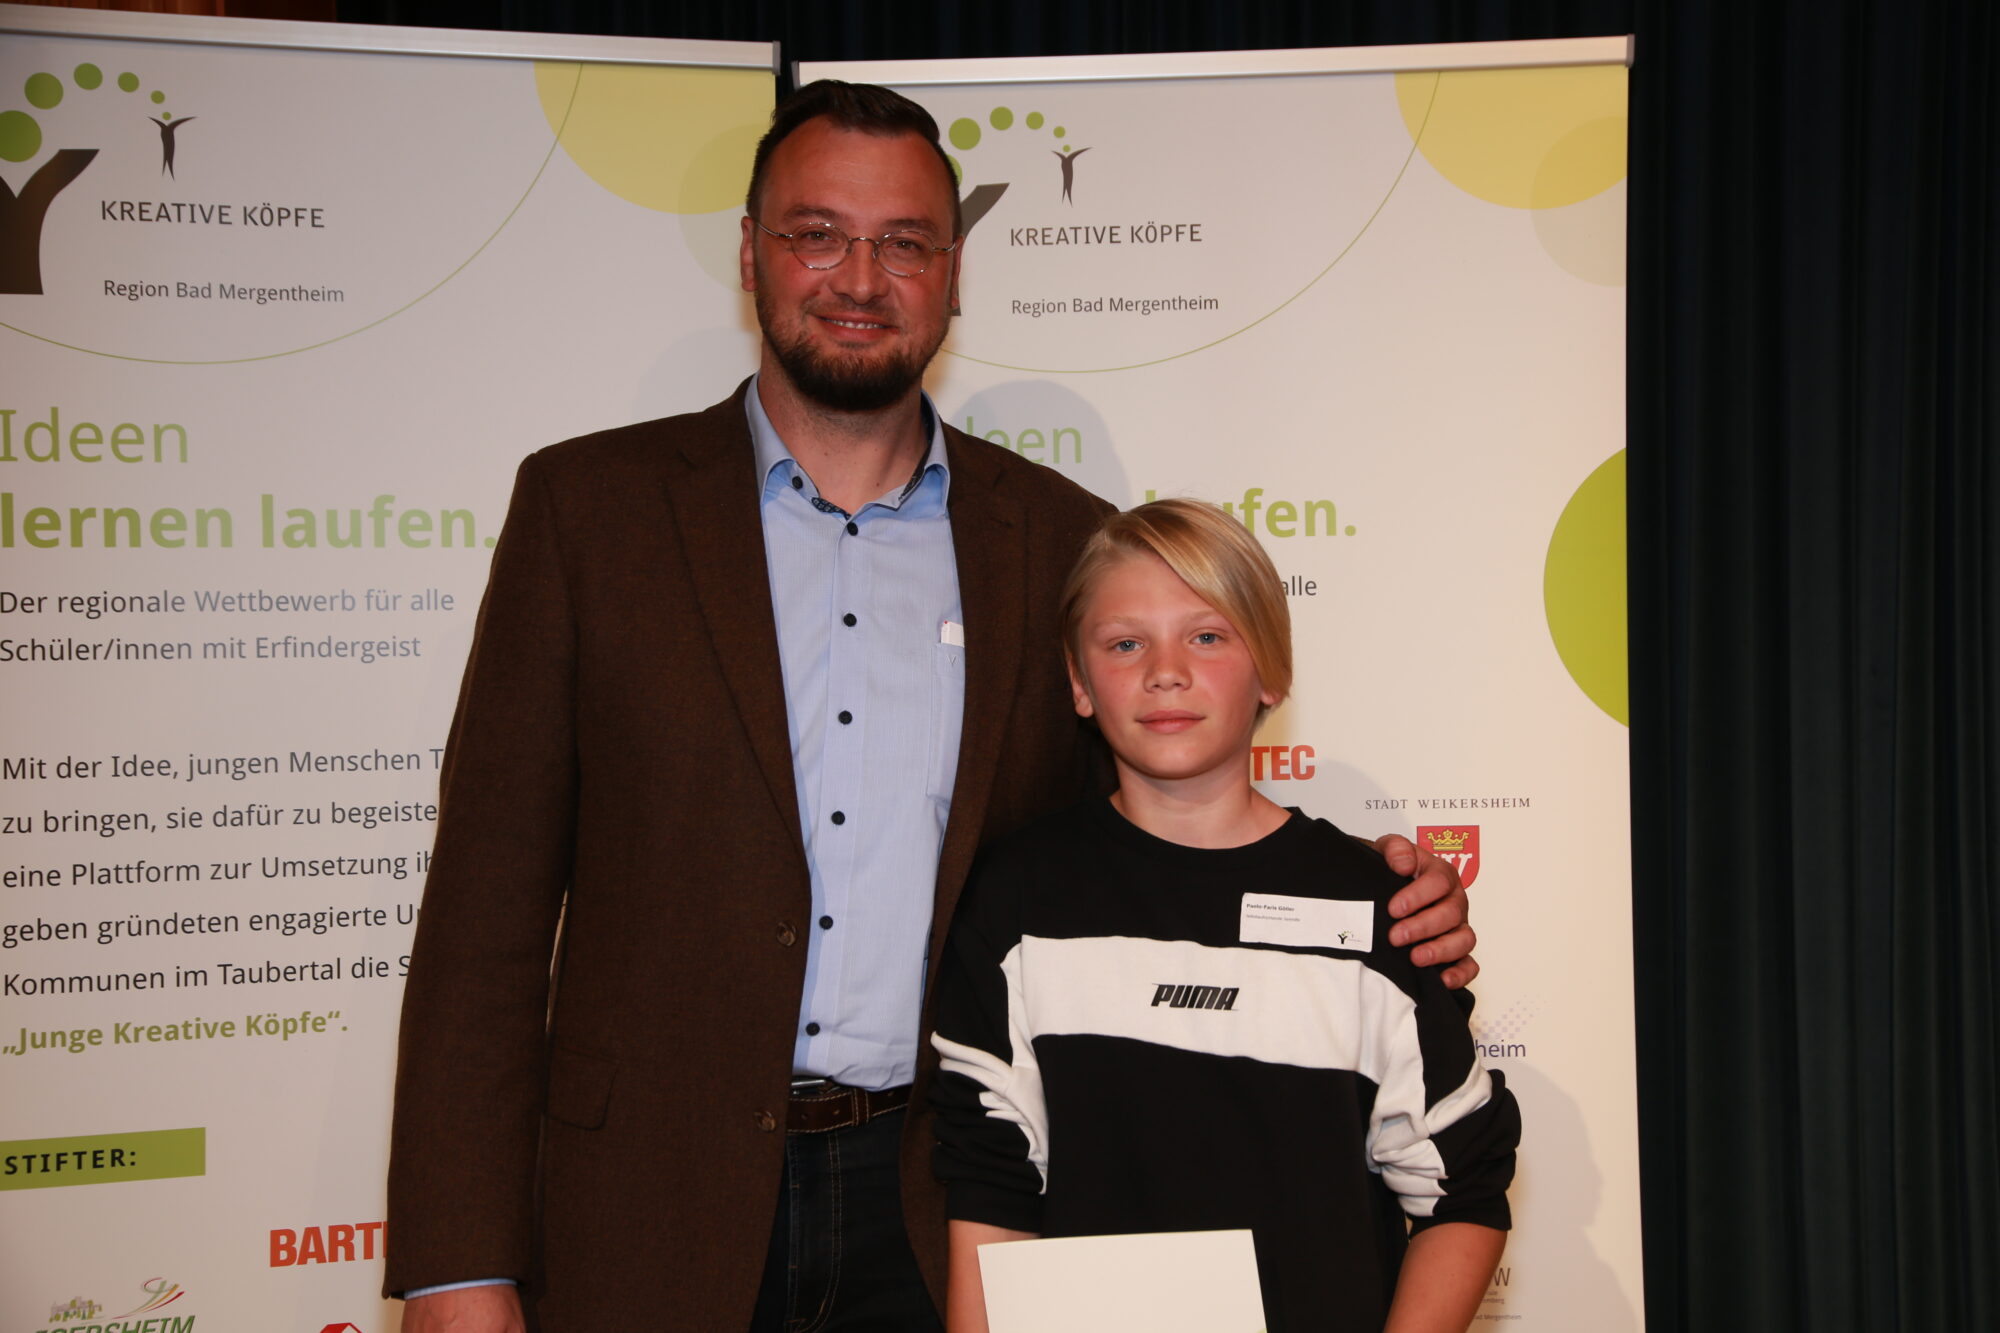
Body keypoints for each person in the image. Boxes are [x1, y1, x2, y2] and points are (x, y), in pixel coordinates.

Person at [385, 80, 1477, 1333]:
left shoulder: (1059, 543)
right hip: (645, 1204)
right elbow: (484, 917)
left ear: (952, 274)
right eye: (817, 233)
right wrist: (457, 1262)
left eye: (902, 243)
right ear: (748, 252)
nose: (858, 277)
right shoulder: (589, 513)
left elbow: (1155, 847)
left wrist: (1379, 910)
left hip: (955, 1206)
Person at [930, 499, 1518, 1333]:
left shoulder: (1380, 906)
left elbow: (1463, 1186)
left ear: (1270, 670)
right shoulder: (1017, 900)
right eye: (1125, 643)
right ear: (1079, 682)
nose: (1165, 671)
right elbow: (991, 1187)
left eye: (1206, 636)